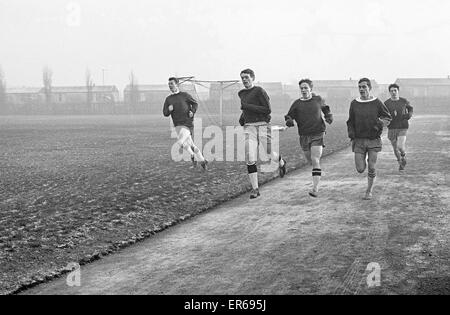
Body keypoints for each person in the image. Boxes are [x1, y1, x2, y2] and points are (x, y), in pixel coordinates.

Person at [238, 69, 286, 199]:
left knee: (269, 154)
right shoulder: (241, 93)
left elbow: (267, 109)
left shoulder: (259, 91)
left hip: (263, 126)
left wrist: (247, 107)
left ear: (252, 78)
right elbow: (245, 108)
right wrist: (243, 117)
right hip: (249, 128)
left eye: (247, 77)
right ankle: (255, 189)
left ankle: (281, 161)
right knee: (250, 157)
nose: (244, 80)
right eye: (242, 78)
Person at [284, 79, 333, 197]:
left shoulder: (317, 99)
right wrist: (289, 120)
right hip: (304, 134)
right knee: (310, 161)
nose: (303, 90)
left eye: (306, 88)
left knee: (315, 159)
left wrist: (328, 116)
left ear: (311, 89)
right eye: (301, 88)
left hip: (318, 132)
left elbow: (325, 108)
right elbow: (289, 115)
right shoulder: (297, 103)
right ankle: (318, 173)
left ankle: (315, 189)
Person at [347, 78, 392, 200]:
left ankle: (369, 190)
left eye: (364, 87)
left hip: (373, 139)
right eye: (360, 87)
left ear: (369, 88)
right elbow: (350, 121)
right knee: (360, 169)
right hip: (359, 140)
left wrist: (378, 124)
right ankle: (364, 162)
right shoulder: (354, 103)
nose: (361, 89)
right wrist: (351, 133)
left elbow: (387, 117)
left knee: (371, 167)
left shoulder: (376, 102)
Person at [163, 77, 208, 170]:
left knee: (180, 142)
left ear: (177, 84)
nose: (170, 86)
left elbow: (195, 103)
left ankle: (193, 156)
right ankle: (202, 160)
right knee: (191, 145)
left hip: (187, 123)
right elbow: (165, 113)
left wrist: (192, 111)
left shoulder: (185, 95)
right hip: (177, 124)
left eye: (171, 83)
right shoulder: (168, 99)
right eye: (169, 84)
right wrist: (169, 109)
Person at [384, 83, 413, 171]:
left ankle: (403, 154)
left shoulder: (404, 101)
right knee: (395, 148)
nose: (393, 92)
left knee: (400, 147)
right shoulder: (386, 103)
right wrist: (384, 120)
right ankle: (400, 162)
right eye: (391, 91)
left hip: (402, 126)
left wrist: (409, 115)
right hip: (392, 127)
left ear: (398, 91)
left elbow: (410, 108)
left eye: (395, 90)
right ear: (389, 92)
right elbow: (383, 113)